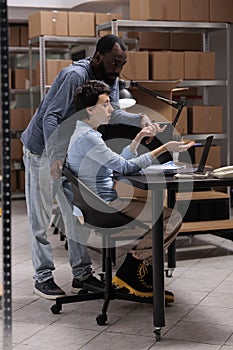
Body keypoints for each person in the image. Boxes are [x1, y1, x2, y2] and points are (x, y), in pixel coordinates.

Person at [20, 34, 166, 300]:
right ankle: (42, 277)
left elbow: (114, 112)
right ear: (98, 56)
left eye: (122, 63)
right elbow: (51, 117)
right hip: (41, 151)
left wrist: (140, 118)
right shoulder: (74, 76)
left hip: (66, 152)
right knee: (40, 217)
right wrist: (54, 157)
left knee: (74, 213)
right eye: (114, 62)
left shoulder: (110, 77)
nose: (118, 69)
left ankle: (82, 274)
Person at [65, 80, 195, 303]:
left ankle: (134, 271)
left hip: (95, 204)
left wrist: (137, 138)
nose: (111, 109)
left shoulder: (84, 132)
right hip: (105, 208)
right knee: (170, 216)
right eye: (105, 104)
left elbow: (116, 164)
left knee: (162, 215)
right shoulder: (89, 138)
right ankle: (133, 270)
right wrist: (164, 147)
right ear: (89, 109)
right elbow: (125, 168)